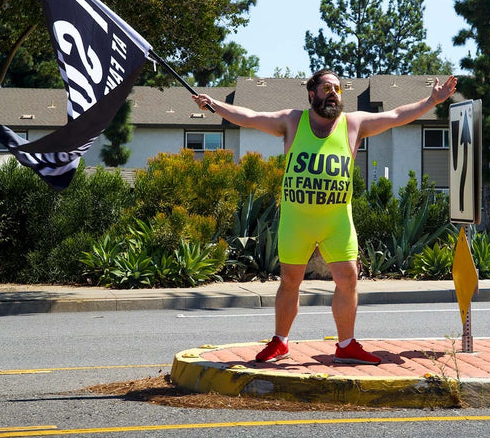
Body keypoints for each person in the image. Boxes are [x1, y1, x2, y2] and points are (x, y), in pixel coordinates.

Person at [192, 69, 457, 365]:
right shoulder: (292, 121)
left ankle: (346, 345)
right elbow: (251, 117)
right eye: (327, 88)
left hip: (336, 222)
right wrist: (214, 104)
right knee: (289, 280)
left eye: (338, 89)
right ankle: (280, 341)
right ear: (312, 93)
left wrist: (431, 101)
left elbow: (396, 116)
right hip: (297, 221)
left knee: (348, 278)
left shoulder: (354, 123)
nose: (333, 93)